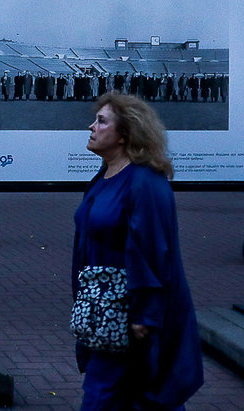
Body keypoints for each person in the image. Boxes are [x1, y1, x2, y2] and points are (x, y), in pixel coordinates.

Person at [74, 92, 203, 409]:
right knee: (132, 395)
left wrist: (145, 315)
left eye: (102, 121)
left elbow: (153, 250)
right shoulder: (105, 176)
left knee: (108, 395)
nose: (92, 127)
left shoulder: (144, 182)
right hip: (104, 311)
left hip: (128, 313)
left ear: (125, 134)